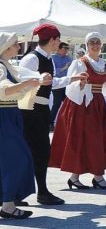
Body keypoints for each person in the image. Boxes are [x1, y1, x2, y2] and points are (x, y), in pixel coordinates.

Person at [50, 32, 106, 190]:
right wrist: (81, 85)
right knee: (83, 139)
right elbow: (70, 85)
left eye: (98, 42)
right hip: (81, 104)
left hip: (96, 104)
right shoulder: (79, 63)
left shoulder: (103, 63)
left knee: (95, 139)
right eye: (92, 42)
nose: (95, 45)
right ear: (86, 45)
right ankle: (91, 177)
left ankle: (82, 177)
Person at [19, 24, 79, 206]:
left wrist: (72, 79)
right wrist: (39, 80)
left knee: (39, 152)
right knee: (35, 152)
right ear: (52, 40)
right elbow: (21, 82)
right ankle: (38, 193)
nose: (60, 43)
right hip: (30, 110)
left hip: (42, 110)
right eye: (58, 39)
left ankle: (32, 193)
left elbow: (51, 82)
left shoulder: (48, 59)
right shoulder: (31, 59)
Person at [0, 33, 46, 220]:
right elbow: (4, 91)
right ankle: (8, 204)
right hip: (4, 118)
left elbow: (14, 90)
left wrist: (34, 82)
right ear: (6, 47)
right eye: (16, 45)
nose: (19, 48)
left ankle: (8, 202)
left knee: (11, 160)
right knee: (17, 159)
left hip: (10, 116)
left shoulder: (7, 65)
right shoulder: (1, 67)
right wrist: (28, 83)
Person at [49, 42, 71, 127]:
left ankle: (67, 123)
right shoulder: (52, 58)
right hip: (57, 84)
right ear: (59, 49)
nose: (66, 50)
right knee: (57, 103)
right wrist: (64, 68)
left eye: (67, 48)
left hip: (66, 84)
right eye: (64, 48)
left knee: (68, 104)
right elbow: (53, 72)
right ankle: (50, 123)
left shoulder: (68, 58)